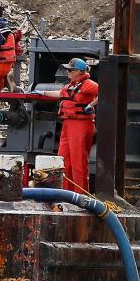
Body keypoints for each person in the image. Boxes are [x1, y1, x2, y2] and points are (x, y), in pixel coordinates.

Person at [41, 57, 99, 193]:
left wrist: (91, 105)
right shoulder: (71, 85)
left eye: (70, 70)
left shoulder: (89, 84)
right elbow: (59, 94)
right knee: (64, 160)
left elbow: (104, 92)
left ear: (79, 71)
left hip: (81, 125)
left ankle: (81, 195)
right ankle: (66, 194)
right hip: (68, 124)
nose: (67, 72)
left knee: (78, 161)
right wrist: (42, 92)